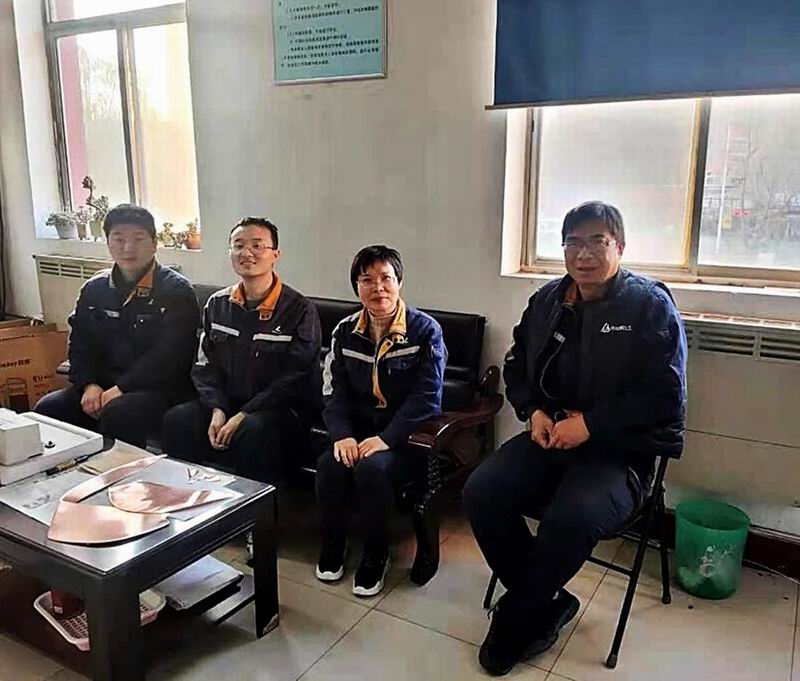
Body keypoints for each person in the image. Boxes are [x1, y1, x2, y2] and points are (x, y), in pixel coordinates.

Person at [463, 201, 687, 676]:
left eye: (597, 242)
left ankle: (516, 616)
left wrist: (591, 425)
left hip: (620, 455)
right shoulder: (548, 301)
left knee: (569, 518)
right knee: (480, 490)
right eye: (573, 242)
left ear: (619, 247)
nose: (583, 254)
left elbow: (665, 397)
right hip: (552, 438)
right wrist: (533, 412)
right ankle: (547, 600)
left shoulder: (649, 305)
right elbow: (517, 367)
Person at [314, 245, 447, 597]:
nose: (378, 288)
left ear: (399, 282)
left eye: (386, 278)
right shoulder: (344, 331)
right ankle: (334, 542)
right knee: (330, 466)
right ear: (357, 287)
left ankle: (377, 553)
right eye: (367, 280)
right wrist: (341, 435)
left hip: (404, 440)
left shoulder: (425, 331)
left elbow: (427, 398)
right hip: (356, 434)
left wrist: (386, 439)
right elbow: (333, 391)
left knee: (372, 469)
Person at [162, 217, 321, 486]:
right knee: (178, 420)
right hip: (226, 404)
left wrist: (244, 414)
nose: (247, 253)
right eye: (238, 246)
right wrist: (217, 409)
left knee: (253, 431)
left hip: (280, 410)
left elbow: (295, 377)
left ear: (275, 255)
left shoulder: (299, 310)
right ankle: (185, 497)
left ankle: (253, 509)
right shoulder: (217, 304)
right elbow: (203, 366)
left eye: (257, 246)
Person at [35, 204, 199, 448]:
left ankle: (118, 471)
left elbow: (170, 356)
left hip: (158, 388)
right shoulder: (94, 289)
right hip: (103, 384)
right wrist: (88, 384)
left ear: (154, 243)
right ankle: (68, 469)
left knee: (120, 412)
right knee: (49, 408)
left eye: (138, 239)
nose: (128, 248)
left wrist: (122, 387)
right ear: (108, 242)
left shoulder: (176, 290)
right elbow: (80, 345)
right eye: (119, 239)